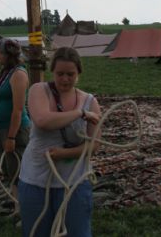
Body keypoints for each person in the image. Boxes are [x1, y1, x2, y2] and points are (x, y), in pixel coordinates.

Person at [18, 47, 101, 237]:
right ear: (52, 72)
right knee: (37, 232)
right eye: (60, 74)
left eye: (70, 74)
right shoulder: (39, 90)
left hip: (75, 182)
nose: (64, 79)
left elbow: (94, 145)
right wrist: (79, 113)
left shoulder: (90, 102)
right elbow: (43, 120)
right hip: (35, 180)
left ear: (79, 73)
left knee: (77, 233)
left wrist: (65, 154)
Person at [0, 38, 30, 212]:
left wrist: (11, 137)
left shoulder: (18, 74)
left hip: (15, 130)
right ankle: (16, 205)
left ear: (7, 54)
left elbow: (18, 109)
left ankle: (24, 210)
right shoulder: (6, 73)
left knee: (17, 169)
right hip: (3, 127)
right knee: (8, 169)